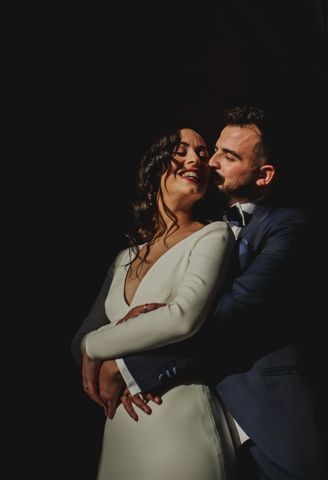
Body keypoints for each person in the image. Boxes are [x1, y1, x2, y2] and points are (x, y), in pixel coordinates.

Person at [73, 106, 327, 479]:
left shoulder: (287, 225)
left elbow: (232, 312)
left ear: (264, 174)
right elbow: (83, 336)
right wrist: (112, 351)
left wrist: (127, 364)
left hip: (264, 421)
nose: (210, 162)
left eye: (227, 155)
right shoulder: (148, 249)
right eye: (214, 151)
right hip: (144, 418)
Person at [72, 128, 236, 479]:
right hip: (119, 430)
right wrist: (103, 345)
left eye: (202, 153)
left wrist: (101, 347)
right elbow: (79, 337)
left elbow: (183, 318)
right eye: (181, 150)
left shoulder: (212, 235)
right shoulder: (124, 258)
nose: (195, 159)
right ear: (155, 167)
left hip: (180, 422)